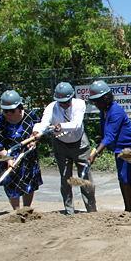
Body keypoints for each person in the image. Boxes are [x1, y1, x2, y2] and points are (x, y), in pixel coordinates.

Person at [32, 82, 96, 215]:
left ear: (71, 97)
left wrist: (61, 126)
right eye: (61, 102)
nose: (64, 104)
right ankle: (69, 210)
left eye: (66, 101)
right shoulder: (52, 107)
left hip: (79, 145)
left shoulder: (79, 104)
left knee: (85, 177)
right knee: (65, 178)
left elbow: (77, 124)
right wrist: (37, 131)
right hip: (61, 144)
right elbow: (44, 123)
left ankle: (91, 210)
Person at [86, 80, 131, 212]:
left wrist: (95, 154)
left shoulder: (115, 111)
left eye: (99, 101)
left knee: (125, 179)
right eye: (95, 102)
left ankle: (129, 210)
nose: (97, 104)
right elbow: (105, 134)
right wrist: (99, 140)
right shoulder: (103, 112)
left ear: (107, 98)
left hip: (128, 147)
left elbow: (110, 136)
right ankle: (127, 208)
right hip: (118, 148)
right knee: (122, 178)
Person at [0, 90, 43, 210]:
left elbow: (39, 130)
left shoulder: (31, 116)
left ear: (19, 108)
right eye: (5, 111)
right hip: (8, 157)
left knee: (29, 182)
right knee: (11, 184)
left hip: (27, 155)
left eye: (12, 110)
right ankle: (17, 211)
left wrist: (34, 140)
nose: (8, 113)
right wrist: (7, 159)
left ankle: (27, 209)